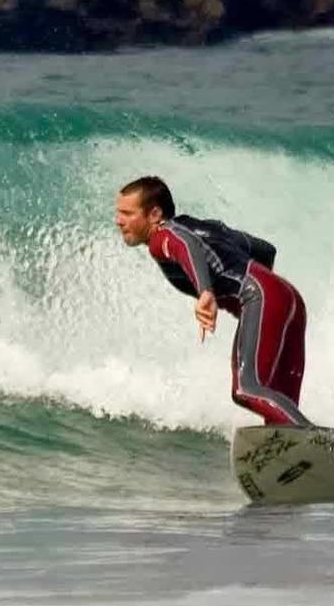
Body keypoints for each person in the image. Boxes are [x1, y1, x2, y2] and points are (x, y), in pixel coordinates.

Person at [113, 176, 311, 428]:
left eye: (127, 213)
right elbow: (266, 250)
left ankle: (323, 447)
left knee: (246, 388)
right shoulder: (207, 228)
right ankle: (307, 455)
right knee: (280, 405)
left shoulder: (162, 236)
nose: (118, 220)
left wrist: (206, 291)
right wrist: (267, 303)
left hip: (260, 295)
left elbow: (186, 246)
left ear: (154, 214)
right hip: (286, 296)